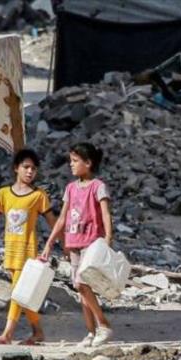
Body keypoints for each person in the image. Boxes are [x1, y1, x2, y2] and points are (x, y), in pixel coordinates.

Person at [0, 149, 56, 345]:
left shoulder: (39, 196)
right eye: (26, 167)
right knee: (23, 294)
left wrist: (59, 244)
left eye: (33, 168)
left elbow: (53, 222)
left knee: (18, 292)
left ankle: (7, 334)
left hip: (28, 252)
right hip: (11, 252)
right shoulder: (3, 194)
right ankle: (38, 332)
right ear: (16, 168)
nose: (30, 172)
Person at [40, 142, 114, 347]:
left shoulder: (98, 187)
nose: (70, 165)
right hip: (74, 244)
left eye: (75, 161)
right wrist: (50, 243)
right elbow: (62, 218)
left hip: (92, 244)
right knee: (81, 290)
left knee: (82, 284)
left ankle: (104, 325)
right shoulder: (70, 189)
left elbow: (106, 214)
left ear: (88, 163)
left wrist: (108, 238)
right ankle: (91, 333)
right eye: (70, 161)